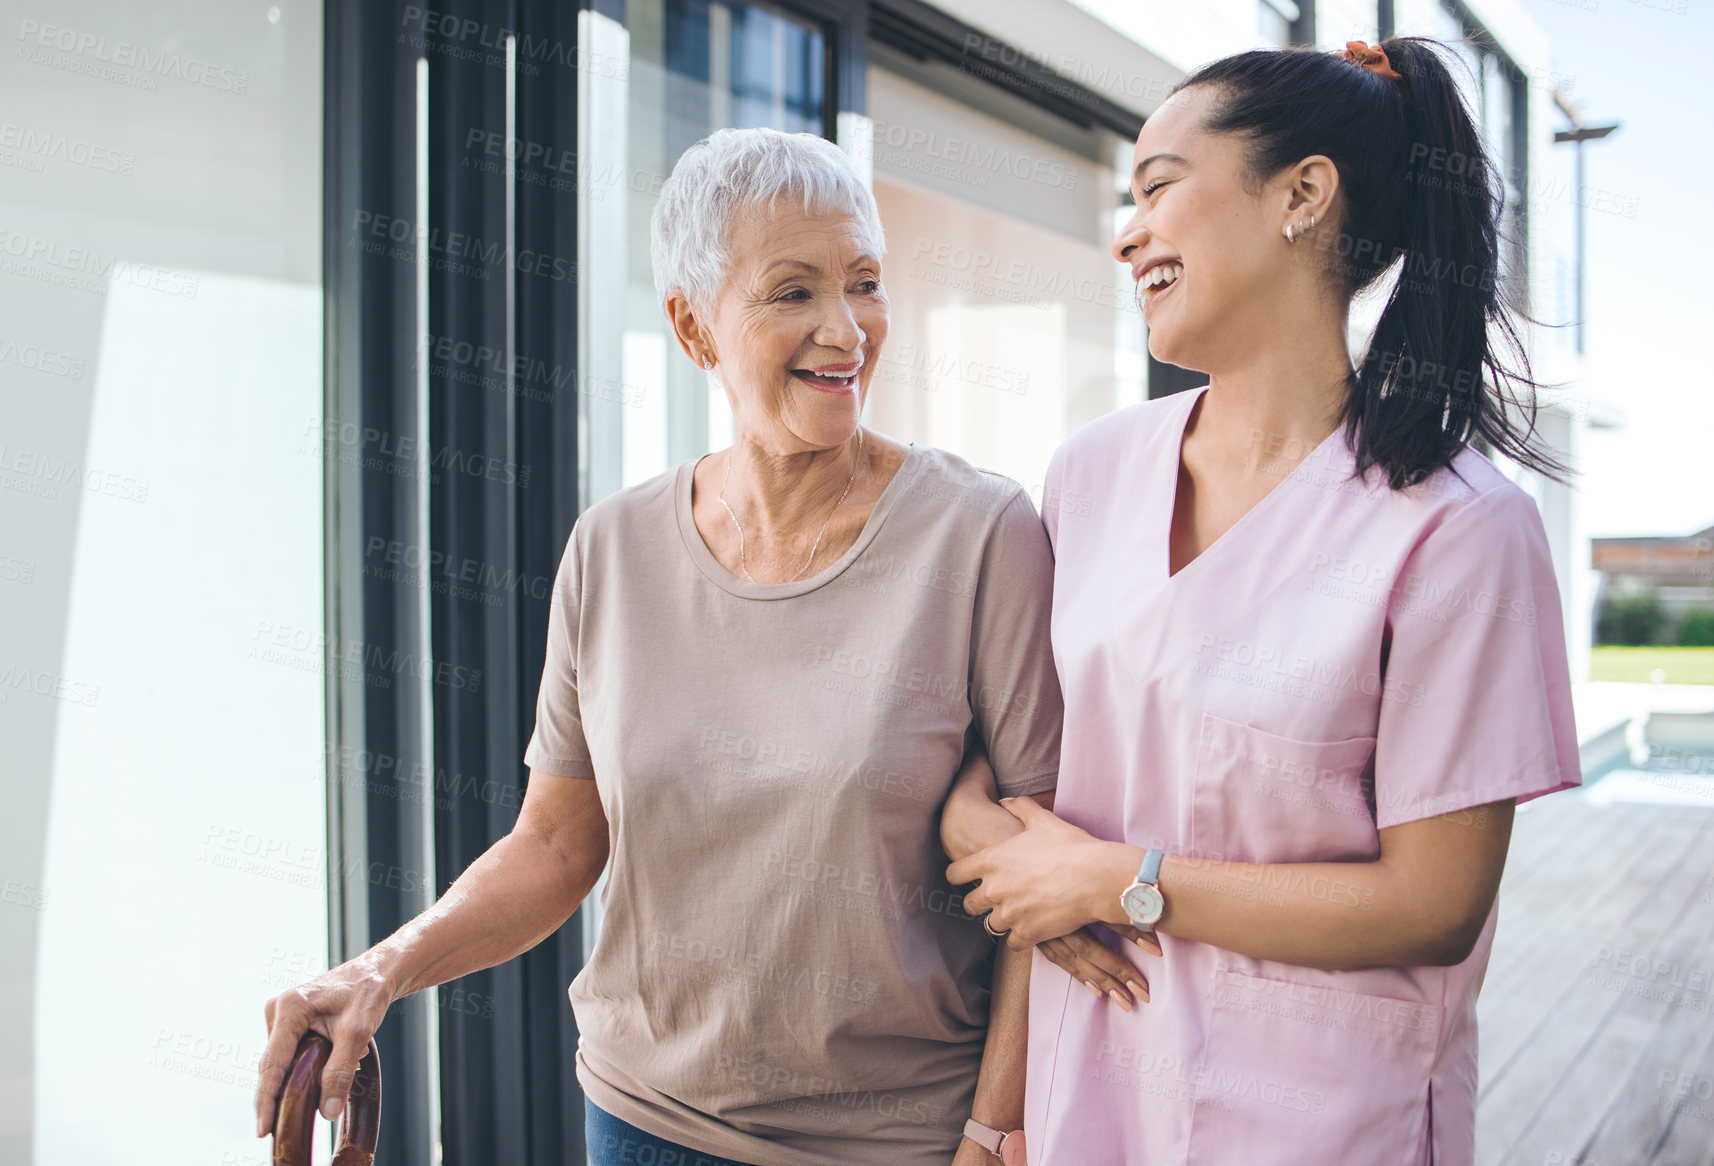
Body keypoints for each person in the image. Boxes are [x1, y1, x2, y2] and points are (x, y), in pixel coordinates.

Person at [254, 126, 1136, 1166]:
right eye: (792, 291)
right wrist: (381, 967)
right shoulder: (613, 547)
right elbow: (553, 845)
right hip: (641, 1120)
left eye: (863, 282)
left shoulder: (981, 533)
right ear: (692, 327)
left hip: (901, 1138)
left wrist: (995, 1128)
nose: (845, 328)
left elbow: (1042, 880)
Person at [942, 38, 1582, 1165]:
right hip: (1087, 1090)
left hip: (1320, 1119)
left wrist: (1117, 879)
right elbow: (1004, 751)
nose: (1126, 230)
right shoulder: (1089, 472)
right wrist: (975, 826)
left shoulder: (1458, 527)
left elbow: (1433, 902)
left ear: (1302, 193)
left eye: (1158, 185)